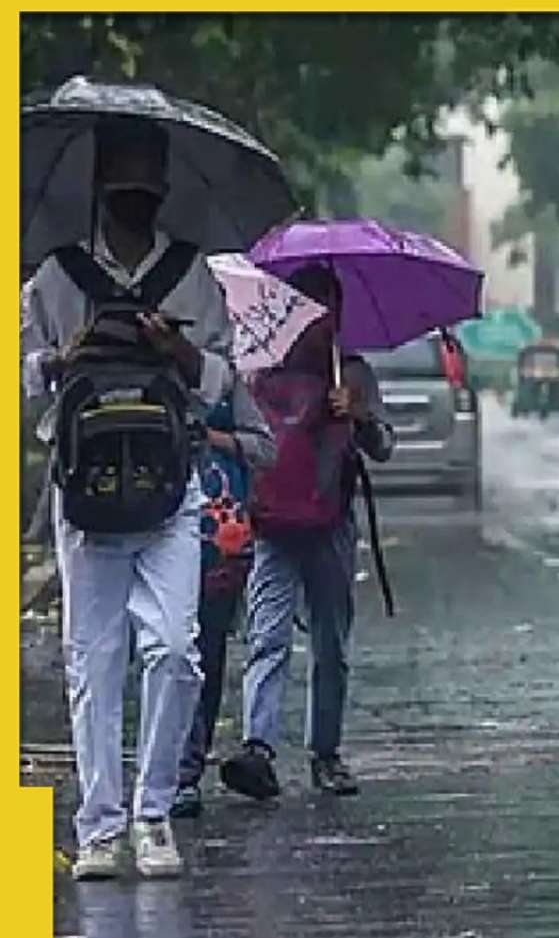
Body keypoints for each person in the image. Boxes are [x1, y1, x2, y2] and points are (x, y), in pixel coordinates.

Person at [20, 117, 234, 879]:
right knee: (93, 663)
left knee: (176, 650)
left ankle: (153, 815)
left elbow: (224, 379)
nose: (135, 201)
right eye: (123, 188)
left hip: (170, 489)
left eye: (147, 188)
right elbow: (20, 381)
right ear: (102, 190)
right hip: (84, 499)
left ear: (163, 191)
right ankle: (101, 827)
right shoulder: (54, 279)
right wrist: (60, 356)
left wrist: (181, 352)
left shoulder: (191, 276)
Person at [220, 263, 394, 801]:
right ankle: (259, 748)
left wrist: (359, 416)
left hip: (330, 522)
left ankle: (325, 752)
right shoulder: (258, 370)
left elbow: (383, 446)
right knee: (268, 637)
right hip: (273, 522)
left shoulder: (354, 373)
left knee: (328, 644)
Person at [170, 373, 275, 819]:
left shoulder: (225, 379)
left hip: (219, 540)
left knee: (206, 653)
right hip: (150, 523)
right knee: (161, 648)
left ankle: (186, 770)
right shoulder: (132, 369)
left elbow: (264, 449)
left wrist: (211, 437)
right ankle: (161, 768)